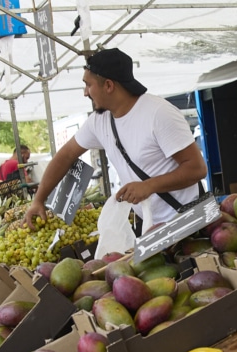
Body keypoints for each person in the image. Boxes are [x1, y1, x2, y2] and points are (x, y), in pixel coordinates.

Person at [25, 48, 206, 230]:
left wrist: (149, 186)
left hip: (187, 219)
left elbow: (196, 169)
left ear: (109, 86)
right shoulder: (99, 121)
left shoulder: (158, 114)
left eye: (88, 85)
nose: (85, 93)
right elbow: (66, 156)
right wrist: (39, 200)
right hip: (151, 226)